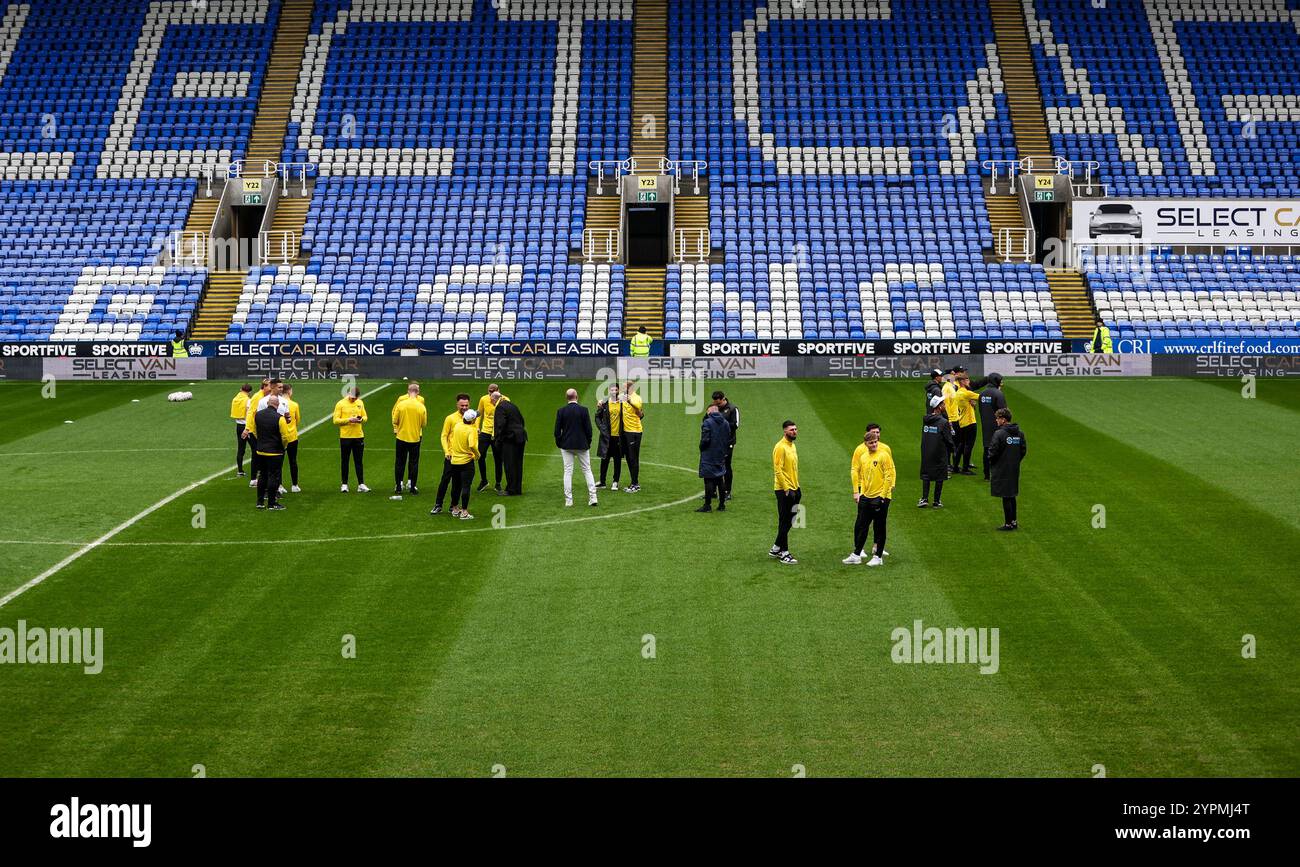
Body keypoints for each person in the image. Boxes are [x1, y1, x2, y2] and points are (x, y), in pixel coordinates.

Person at [844, 429, 895, 566]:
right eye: (871, 443)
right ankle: (856, 554)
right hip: (866, 496)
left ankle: (878, 557)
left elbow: (889, 476)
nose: (874, 445)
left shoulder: (884, 455)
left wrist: (882, 496)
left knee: (879, 526)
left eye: (875, 442)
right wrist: (861, 493)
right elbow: (862, 476)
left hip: (881, 496)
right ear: (865, 444)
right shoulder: (863, 457)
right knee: (862, 525)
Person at [554, 388, 597, 508]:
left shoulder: (561, 411)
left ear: (567, 398)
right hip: (582, 444)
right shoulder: (583, 410)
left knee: (568, 472)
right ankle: (593, 497)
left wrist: (560, 443)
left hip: (566, 445)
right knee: (587, 470)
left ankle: (569, 500)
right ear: (576, 396)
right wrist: (588, 442)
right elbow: (589, 429)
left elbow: (557, 431)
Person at [248, 394, 291, 510]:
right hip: (275, 452)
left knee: (262, 475)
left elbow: (254, 431)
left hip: (261, 451)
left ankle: (260, 502)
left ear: (267, 404)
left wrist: (260, 442)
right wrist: (283, 446)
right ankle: (272, 503)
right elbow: (285, 436)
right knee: (274, 476)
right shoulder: (280, 418)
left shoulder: (258, 415)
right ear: (277, 405)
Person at [988, 407, 1027, 531]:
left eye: (997, 418)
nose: (996, 421)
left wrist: (994, 463)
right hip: (1014, 468)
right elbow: (1023, 450)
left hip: (1002, 468)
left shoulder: (999, 434)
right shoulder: (1019, 433)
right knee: (1012, 495)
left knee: (1006, 496)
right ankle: (1014, 521)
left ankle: (1008, 523)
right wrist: (1015, 461)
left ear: (1003, 420)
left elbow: (992, 452)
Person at [432, 393, 472, 514]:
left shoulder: (472, 417)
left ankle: (453, 506)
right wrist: (447, 451)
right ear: (457, 405)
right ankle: (438, 504)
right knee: (445, 480)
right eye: (462, 405)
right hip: (451, 456)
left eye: (466, 405)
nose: (464, 407)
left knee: (458, 482)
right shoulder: (450, 418)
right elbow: (444, 436)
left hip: (464, 456)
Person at [769, 420, 800, 565]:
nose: (794, 431)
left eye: (795, 429)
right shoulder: (780, 447)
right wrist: (787, 488)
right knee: (784, 520)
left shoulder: (792, 446)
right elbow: (778, 469)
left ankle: (776, 547)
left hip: (794, 488)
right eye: (791, 430)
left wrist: (796, 487)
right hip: (783, 490)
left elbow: (793, 469)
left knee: (791, 519)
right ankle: (784, 553)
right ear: (785, 431)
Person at [392, 381, 428, 496]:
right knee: (414, 463)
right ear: (417, 392)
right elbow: (424, 424)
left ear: (408, 391)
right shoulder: (421, 406)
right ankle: (412, 487)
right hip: (415, 437)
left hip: (401, 437)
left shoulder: (401, 404)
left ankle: (398, 486)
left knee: (399, 462)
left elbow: (395, 420)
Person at [919, 395, 954, 508]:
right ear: (938, 407)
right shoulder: (943, 422)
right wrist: (953, 450)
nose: (944, 405)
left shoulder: (926, 420)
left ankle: (924, 498)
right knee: (940, 476)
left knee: (926, 475)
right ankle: (936, 501)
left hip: (926, 451)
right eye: (943, 404)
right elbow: (948, 439)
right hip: (939, 452)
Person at [334, 385, 369, 492]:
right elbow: (335, 420)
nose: (353, 399)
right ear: (349, 394)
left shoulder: (360, 403)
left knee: (359, 461)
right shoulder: (340, 404)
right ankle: (344, 484)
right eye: (352, 397)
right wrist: (349, 420)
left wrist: (361, 420)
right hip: (345, 437)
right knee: (345, 460)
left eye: (355, 398)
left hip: (358, 436)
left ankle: (361, 484)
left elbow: (365, 417)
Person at [492, 391, 528, 495]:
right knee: (517, 464)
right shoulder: (512, 405)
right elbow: (522, 420)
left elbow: (500, 425)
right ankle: (517, 489)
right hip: (520, 437)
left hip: (510, 439)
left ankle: (511, 490)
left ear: (494, 399)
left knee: (509, 464)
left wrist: (498, 439)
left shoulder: (500, 407)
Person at [447, 409, 481, 519]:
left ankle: (455, 508)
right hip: (466, 462)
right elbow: (472, 445)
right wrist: (477, 454)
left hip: (455, 461)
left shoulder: (457, 426)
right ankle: (464, 512)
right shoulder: (472, 429)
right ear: (473, 420)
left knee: (455, 485)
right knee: (466, 486)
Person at [696, 405, 730, 513]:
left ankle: (707, 505)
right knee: (720, 479)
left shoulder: (707, 422)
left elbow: (705, 439)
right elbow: (728, 438)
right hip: (720, 454)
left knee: (708, 479)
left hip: (709, 454)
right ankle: (722, 504)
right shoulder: (725, 423)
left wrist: (701, 447)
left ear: (709, 412)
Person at [243, 378, 274, 488]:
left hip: (260, 430)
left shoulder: (265, 396)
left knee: (259, 454)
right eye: (270, 387)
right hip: (254, 430)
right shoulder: (258, 397)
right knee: (256, 454)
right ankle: (253, 478)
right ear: (264, 386)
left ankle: (258, 477)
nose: (271, 389)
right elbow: (251, 413)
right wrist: (247, 429)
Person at [475, 383, 506, 492]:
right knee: (480, 456)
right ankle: (484, 480)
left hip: (498, 433)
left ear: (498, 390)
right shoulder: (483, 399)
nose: (491, 393)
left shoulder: (505, 400)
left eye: (493, 391)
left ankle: (498, 483)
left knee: (498, 458)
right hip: (485, 432)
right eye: (489, 391)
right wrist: (477, 427)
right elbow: (479, 414)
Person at [977, 373, 1008, 481]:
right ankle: (997, 473)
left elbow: (980, 410)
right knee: (999, 450)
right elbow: (1004, 412)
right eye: (1001, 381)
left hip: (986, 426)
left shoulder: (982, 394)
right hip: (998, 427)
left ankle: (986, 475)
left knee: (987, 449)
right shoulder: (998, 394)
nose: (1002, 383)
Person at [951, 374, 982, 475]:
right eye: (967, 379)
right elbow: (983, 397)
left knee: (961, 444)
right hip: (970, 422)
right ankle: (965, 468)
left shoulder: (958, 393)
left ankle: (955, 466)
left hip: (962, 421)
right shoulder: (966, 393)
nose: (969, 381)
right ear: (962, 381)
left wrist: (970, 402)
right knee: (969, 445)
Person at [713, 390, 740, 501]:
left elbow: (736, 425)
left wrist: (721, 421)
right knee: (713, 465)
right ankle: (712, 491)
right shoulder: (713, 408)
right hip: (715, 442)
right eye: (715, 403)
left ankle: (727, 491)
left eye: (718, 404)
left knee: (726, 466)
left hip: (727, 442)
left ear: (724, 399)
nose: (717, 405)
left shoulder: (733, 409)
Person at [596, 384, 623, 490]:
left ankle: (615, 482)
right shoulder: (605, 404)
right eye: (612, 390)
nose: (614, 391)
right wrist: (602, 428)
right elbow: (597, 417)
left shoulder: (622, 404)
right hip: (607, 437)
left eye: (616, 390)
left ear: (618, 391)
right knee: (604, 459)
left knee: (617, 460)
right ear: (609, 391)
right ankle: (602, 482)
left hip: (618, 437)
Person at [620, 379, 644, 492]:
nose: (622, 388)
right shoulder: (623, 397)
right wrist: (601, 402)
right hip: (626, 431)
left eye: (624, 387)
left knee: (634, 458)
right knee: (629, 457)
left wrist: (629, 401)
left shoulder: (636, 397)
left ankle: (636, 484)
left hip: (634, 432)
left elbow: (638, 407)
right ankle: (633, 482)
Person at [281, 383, 302, 492]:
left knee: (278, 462)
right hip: (292, 436)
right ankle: (294, 485)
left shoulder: (278, 403)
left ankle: (279, 485)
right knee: (293, 461)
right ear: (289, 391)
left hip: (280, 437)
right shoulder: (294, 404)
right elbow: (297, 420)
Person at [230, 383, 253, 477]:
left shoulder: (236, 399)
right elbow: (249, 414)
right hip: (246, 427)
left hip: (238, 426)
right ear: (250, 392)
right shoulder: (248, 400)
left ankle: (240, 470)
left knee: (241, 448)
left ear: (241, 389)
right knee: (255, 448)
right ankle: (258, 469)